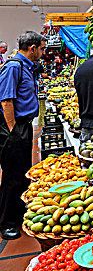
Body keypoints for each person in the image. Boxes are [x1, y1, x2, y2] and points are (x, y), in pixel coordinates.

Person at [0, 31, 46, 240]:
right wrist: (12, 130)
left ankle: (17, 215)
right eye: (42, 49)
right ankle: (6, 223)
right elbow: (6, 100)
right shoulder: (13, 67)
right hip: (14, 128)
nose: (43, 53)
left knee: (22, 174)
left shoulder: (26, 67)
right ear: (32, 48)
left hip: (23, 126)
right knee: (12, 176)